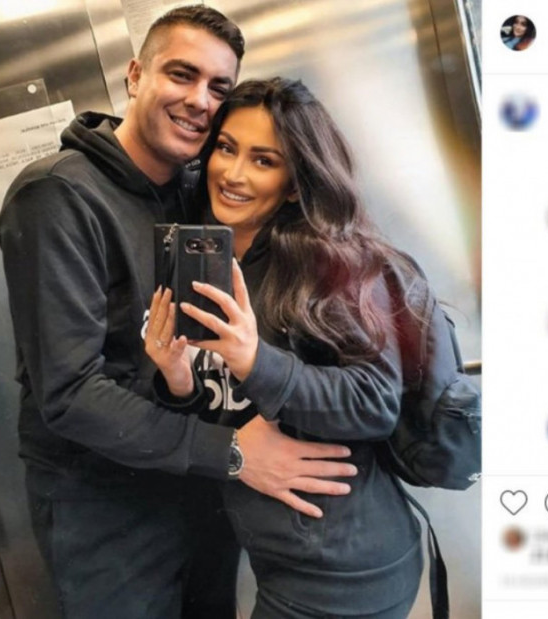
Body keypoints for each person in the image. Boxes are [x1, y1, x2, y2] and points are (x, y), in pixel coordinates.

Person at [0, 8, 356, 618]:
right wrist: (235, 452)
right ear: (136, 75)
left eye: (218, 87)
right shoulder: (57, 195)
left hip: (199, 485)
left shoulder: (199, 187)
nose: (199, 100)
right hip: (107, 506)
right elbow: (70, 391)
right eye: (181, 74)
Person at [145, 78, 424, 618]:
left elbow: (374, 403)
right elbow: (232, 406)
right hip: (283, 561)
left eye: (263, 160)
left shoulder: (327, 266)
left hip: (346, 573)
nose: (234, 174)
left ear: (294, 185)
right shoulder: (216, 263)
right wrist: (178, 380)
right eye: (226, 148)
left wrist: (255, 360)